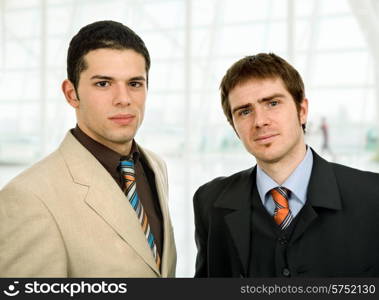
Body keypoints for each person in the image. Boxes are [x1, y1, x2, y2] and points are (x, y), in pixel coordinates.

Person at [0, 20, 176, 277]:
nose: (124, 99)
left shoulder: (155, 166)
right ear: (71, 94)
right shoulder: (28, 198)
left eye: (135, 83)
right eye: (103, 84)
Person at [193, 53, 379, 277]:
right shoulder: (210, 202)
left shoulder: (372, 196)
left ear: (302, 111)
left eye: (272, 103)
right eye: (244, 111)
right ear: (234, 126)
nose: (260, 121)